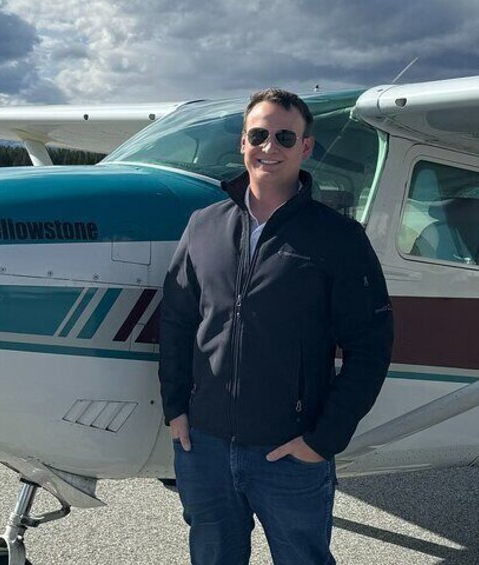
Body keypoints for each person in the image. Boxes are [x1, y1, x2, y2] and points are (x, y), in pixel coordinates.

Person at [158, 88, 394, 565]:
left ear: (306, 147)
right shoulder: (203, 225)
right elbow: (178, 321)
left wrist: (321, 440)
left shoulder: (339, 238)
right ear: (242, 143)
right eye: (259, 135)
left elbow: (371, 346)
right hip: (203, 446)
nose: (270, 147)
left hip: (289, 452)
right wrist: (176, 410)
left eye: (285, 136)